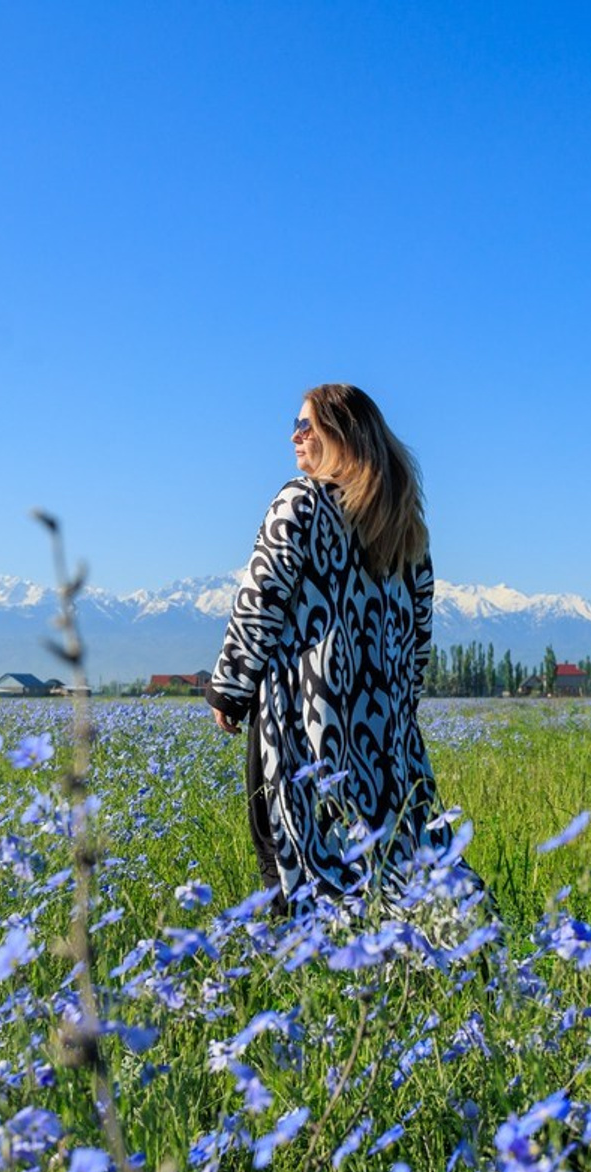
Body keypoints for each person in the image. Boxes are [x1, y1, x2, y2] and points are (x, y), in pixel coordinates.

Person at [206, 383, 461, 917]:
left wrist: (228, 690)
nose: (294, 436)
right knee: (390, 858)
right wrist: (396, 707)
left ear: (341, 437)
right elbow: (419, 635)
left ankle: (304, 977)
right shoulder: (405, 525)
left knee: (289, 854)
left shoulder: (299, 502)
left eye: (307, 426)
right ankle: (421, 963)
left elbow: (260, 600)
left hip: (302, 720)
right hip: (384, 730)